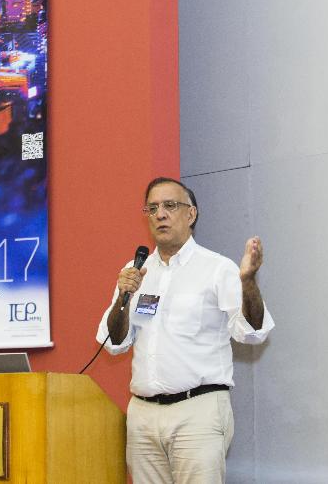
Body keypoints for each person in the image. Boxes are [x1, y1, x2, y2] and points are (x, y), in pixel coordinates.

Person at [96, 176, 274, 484]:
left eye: (170, 205)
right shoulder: (136, 271)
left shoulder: (217, 268)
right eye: (152, 208)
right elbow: (115, 342)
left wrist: (247, 282)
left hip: (197, 411)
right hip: (143, 415)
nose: (160, 214)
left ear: (191, 214)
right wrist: (124, 297)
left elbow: (253, 332)